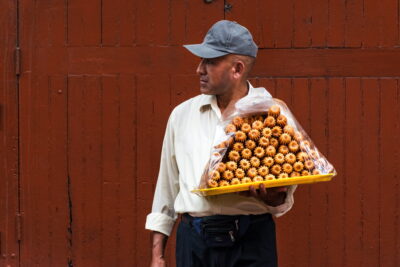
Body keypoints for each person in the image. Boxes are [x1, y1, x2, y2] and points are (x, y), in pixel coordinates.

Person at [145, 20, 297, 267]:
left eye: (210, 62)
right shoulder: (182, 115)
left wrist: (272, 198)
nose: (199, 69)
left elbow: (283, 197)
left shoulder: (272, 115)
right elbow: (166, 187)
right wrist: (157, 255)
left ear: (236, 69)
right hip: (193, 243)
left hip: (252, 240)